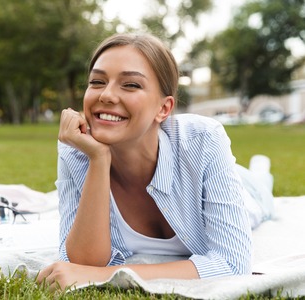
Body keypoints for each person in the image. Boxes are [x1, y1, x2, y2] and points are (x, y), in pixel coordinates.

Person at [36, 33, 274, 291]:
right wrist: (99, 158)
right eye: (97, 81)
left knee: (259, 187)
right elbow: (82, 263)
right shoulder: (77, 148)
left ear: (164, 108)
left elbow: (232, 264)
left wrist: (108, 275)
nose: (106, 94)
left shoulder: (203, 138)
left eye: (130, 85)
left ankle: (261, 171)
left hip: (246, 191)